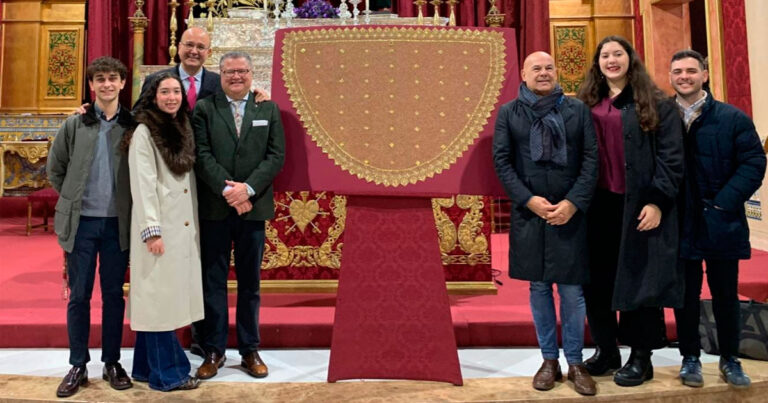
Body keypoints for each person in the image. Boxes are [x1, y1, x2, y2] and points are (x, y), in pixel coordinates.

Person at [576, 35, 685, 387]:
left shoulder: (655, 103)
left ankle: (642, 356)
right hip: (597, 206)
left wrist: (657, 202)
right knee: (598, 284)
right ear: (597, 63)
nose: (611, 60)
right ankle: (607, 351)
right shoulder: (586, 103)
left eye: (617, 54)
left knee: (641, 282)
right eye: (605, 55)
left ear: (629, 59)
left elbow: (671, 159)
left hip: (639, 206)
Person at [493, 51, 599, 396]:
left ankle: (575, 362)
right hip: (530, 215)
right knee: (538, 288)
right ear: (523, 75)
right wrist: (529, 200)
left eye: (548, 67)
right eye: (536, 68)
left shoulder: (577, 110)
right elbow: (502, 161)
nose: (543, 73)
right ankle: (549, 361)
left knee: (571, 290)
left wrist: (572, 203)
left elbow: (590, 160)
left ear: (557, 72)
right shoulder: (509, 113)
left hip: (570, 213)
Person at [669, 49, 766, 388]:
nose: (684, 77)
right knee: (685, 295)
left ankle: (730, 358)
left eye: (691, 71)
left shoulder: (732, 118)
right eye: (678, 71)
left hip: (721, 220)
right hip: (679, 221)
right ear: (670, 77)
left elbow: (753, 163)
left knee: (725, 294)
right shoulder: (662, 117)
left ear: (704, 75)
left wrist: (723, 203)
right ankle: (690, 358)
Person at [192, 51, 285, 379]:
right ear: (221, 75)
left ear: (251, 73)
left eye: (242, 71)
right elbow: (201, 155)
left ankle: (249, 349)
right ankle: (213, 349)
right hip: (215, 209)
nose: (236, 76)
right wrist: (228, 191)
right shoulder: (204, 108)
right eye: (230, 71)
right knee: (213, 281)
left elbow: (276, 156)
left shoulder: (268, 108)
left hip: (253, 208)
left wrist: (247, 190)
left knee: (250, 283)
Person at [47, 57, 134, 398]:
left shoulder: (133, 126)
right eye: (100, 79)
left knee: (113, 296)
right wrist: (72, 199)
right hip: (82, 224)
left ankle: (112, 361)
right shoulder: (75, 124)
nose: (107, 85)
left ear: (123, 83)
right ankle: (78, 364)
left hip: (117, 225)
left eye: (113, 78)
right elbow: (56, 169)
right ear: (92, 85)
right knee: (79, 295)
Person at [124, 72, 204, 391]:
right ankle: (169, 374)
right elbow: (143, 184)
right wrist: (151, 231)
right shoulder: (144, 130)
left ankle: (144, 368)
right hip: (158, 230)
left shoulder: (181, 124)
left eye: (176, 91)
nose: (171, 97)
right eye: (164, 92)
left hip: (179, 225)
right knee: (159, 302)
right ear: (152, 96)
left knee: (158, 299)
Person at [140, 26, 270, 111]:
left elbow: (239, 100)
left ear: (209, 53)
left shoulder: (220, 82)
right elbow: (138, 115)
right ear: (179, 47)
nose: (194, 51)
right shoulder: (155, 80)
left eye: (201, 47)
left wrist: (258, 96)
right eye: (189, 45)